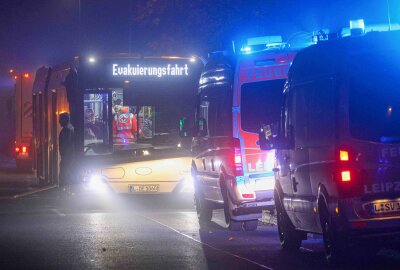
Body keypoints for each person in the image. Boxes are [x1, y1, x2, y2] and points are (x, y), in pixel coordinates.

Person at [59, 112, 75, 192]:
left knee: (65, 173)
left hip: (67, 157)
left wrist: (64, 156)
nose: (59, 122)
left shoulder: (67, 130)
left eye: (60, 119)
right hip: (68, 157)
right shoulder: (70, 129)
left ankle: (65, 190)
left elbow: (67, 145)